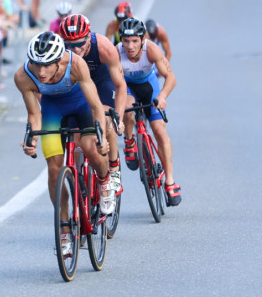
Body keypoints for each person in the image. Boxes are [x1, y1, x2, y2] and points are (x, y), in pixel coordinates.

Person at [15, 32, 116, 256]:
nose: (41, 72)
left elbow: (97, 106)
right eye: (37, 64)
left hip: (82, 105)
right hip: (53, 109)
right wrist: (31, 138)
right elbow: (34, 114)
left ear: (59, 60)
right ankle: (63, 229)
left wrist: (101, 137)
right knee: (54, 169)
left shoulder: (76, 64)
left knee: (90, 147)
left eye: (47, 66)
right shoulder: (23, 76)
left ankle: (105, 179)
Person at [117, 18, 181, 206]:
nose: (130, 46)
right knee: (128, 111)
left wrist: (162, 97)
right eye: (126, 41)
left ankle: (169, 181)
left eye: (135, 41)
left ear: (142, 40)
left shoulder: (151, 49)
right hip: (127, 87)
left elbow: (171, 77)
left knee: (160, 131)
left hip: (148, 86)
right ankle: (130, 143)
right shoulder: (116, 53)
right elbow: (111, 83)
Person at [59, 14, 127, 191]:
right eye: (70, 45)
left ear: (89, 37)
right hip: (79, 85)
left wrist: (118, 117)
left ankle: (113, 169)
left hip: (102, 81)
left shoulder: (104, 47)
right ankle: (81, 181)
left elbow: (120, 86)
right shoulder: (59, 52)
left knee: (106, 118)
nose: (75, 49)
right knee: (75, 134)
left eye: (80, 43)